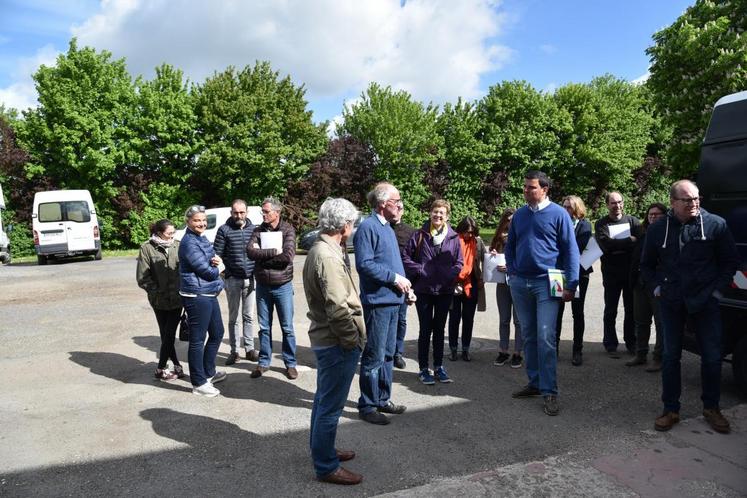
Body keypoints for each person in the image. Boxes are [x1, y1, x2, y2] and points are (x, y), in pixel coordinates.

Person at [640, 180, 738, 434]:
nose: (694, 203)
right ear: (673, 202)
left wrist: (716, 292)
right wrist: (657, 289)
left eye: (696, 198)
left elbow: (729, 263)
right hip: (672, 301)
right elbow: (647, 265)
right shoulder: (658, 228)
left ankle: (711, 408)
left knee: (712, 356)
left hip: (705, 302)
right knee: (671, 356)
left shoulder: (715, 224)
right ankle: (671, 409)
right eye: (687, 200)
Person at [303, 198, 365, 485]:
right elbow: (337, 308)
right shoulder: (326, 255)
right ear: (344, 226)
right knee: (330, 406)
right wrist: (351, 340)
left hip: (329, 339)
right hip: (335, 341)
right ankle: (326, 465)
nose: (352, 228)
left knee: (323, 400)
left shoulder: (323, 248)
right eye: (351, 223)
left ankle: (323, 451)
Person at [506, 170, 578, 417]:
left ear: (545, 189)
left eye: (531, 188)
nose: (526, 191)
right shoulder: (520, 215)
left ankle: (550, 390)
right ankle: (535, 383)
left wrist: (572, 283)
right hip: (521, 282)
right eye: (525, 187)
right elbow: (511, 245)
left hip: (549, 282)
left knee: (546, 336)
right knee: (529, 335)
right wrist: (513, 272)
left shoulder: (559, 214)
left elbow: (570, 250)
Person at [355, 182, 411, 425]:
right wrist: (394, 278)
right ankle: (367, 405)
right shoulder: (368, 227)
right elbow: (365, 264)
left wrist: (406, 287)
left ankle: (382, 399)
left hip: (393, 299)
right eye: (396, 201)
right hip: (378, 302)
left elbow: (392, 264)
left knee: (388, 354)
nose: (400, 205)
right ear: (382, 203)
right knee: (374, 355)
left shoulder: (387, 227)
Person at [403, 200, 463, 384]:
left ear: (447, 216)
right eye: (435, 212)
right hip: (424, 290)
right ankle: (423, 369)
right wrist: (420, 270)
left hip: (444, 290)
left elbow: (459, 262)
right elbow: (405, 257)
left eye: (442, 213)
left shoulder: (453, 237)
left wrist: (448, 275)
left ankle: (438, 367)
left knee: (439, 329)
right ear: (430, 213)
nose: (438, 215)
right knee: (425, 329)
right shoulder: (419, 235)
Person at [247, 197, 298, 380]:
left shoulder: (288, 229)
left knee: (287, 327)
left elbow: (288, 257)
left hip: (282, 285)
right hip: (262, 286)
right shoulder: (257, 230)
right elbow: (250, 252)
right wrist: (272, 252)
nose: (264, 214)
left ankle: (290, 363)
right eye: (263, 211)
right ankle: (264, 362)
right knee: (264, 327)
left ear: (277, 212)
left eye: (266, 211)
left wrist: (262, 255)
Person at [178, 205, 227, 397]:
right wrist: (219, 267)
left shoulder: (201, 237)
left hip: (207, 292)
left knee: (217, 333)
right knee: (197, 340)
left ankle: (208, 372)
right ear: (188, 222)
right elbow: (206, 272)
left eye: (204, 220)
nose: (202, 223)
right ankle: (198, 383)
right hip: (196, 294)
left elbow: (209, 258)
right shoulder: (189, 242)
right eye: (197, 220)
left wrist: (215, 261)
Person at [136, 219, 186, 381]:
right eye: (168, 233)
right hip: (159, 300)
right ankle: (174, 366)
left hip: (177, 299)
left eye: (173, 233)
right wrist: (156, 292)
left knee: (169, 333)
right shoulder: (147, 248)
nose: (172, 236)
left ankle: (161, 367)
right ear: (158, 233)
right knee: (166, 334)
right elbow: (142, 277)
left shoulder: (178, 245)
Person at [595, 192, 641, 358]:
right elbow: (605, 245)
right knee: (610, 310)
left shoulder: (633, 221)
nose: (617, 206)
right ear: (607, 205)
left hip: (630, 273)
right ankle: (610, 344)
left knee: (631, 310)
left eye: (619, 202)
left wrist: (617, 245)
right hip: (611, 274)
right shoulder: (601, 223)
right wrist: (629, 241)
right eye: (613, 203)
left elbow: (639, 244)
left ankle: (631, 343)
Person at [213, 199, 259, 365]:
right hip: (232, 280)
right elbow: (216, 256)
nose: (239, 215)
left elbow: (260, 252)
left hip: (251, 279)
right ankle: (234, 351)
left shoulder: (255, 230)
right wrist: (226, 273)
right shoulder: (224, 230)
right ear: (231, 213)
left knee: (248, 316)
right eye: (235, 212)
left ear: (247, 212)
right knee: (234, 318)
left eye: (242, 212)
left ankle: (249, 349)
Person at [626, 202, 666, 370]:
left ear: (665, 216)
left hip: (657, 284)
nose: (653, 216)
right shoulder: (643, 234)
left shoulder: (667, 235)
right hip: (640, 284)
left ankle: (658, 358)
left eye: (657, 214)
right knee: (641, 321)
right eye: (650, 214)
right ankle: (640, 354)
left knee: (660, 323)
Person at [555, 196, 593, 366]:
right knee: (557, 311)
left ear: (577, 208)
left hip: (579, 273)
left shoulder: (585, 225)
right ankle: (553, 348)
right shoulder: (558, 223)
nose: (565, 210)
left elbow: (581, 248)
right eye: (563, 206)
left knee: (577, 312)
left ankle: (577, 350)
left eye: (569, 207)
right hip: (559, 273)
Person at [448, 216, 486, 362]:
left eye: (471, 232)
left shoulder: (478, 242)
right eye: (466, 232)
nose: (468, 235)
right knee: (454, 317)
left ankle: (465, 349)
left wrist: (482, 277)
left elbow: (485, 260)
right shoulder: (453, 241)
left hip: (472, 283)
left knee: (468, 318)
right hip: (455, 283)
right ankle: (453, 349)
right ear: (461, 229)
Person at [489, 208, 523, 368]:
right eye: (508, 220)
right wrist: (493, 255)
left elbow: (527, 259)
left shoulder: (523, 236)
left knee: (518, 320)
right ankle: (503, 351)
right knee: (504, 319)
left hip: (518, 282)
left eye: (513, 220)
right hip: (502, 283)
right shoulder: (498, 237)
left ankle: (518, 353)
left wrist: (511, 267)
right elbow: (490, 257)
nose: (510, 223)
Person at [390, 203, 416, 369]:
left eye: (400, 208)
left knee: (401, 319)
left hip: (404, 283)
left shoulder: (411, 232)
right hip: (384, 281)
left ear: (403, 211)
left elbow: (415, 259)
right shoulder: (382, 228)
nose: (397, 210)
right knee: (386, 320)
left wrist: (412, 286)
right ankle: (385, 350)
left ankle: (397, 352)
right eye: (395, 207)